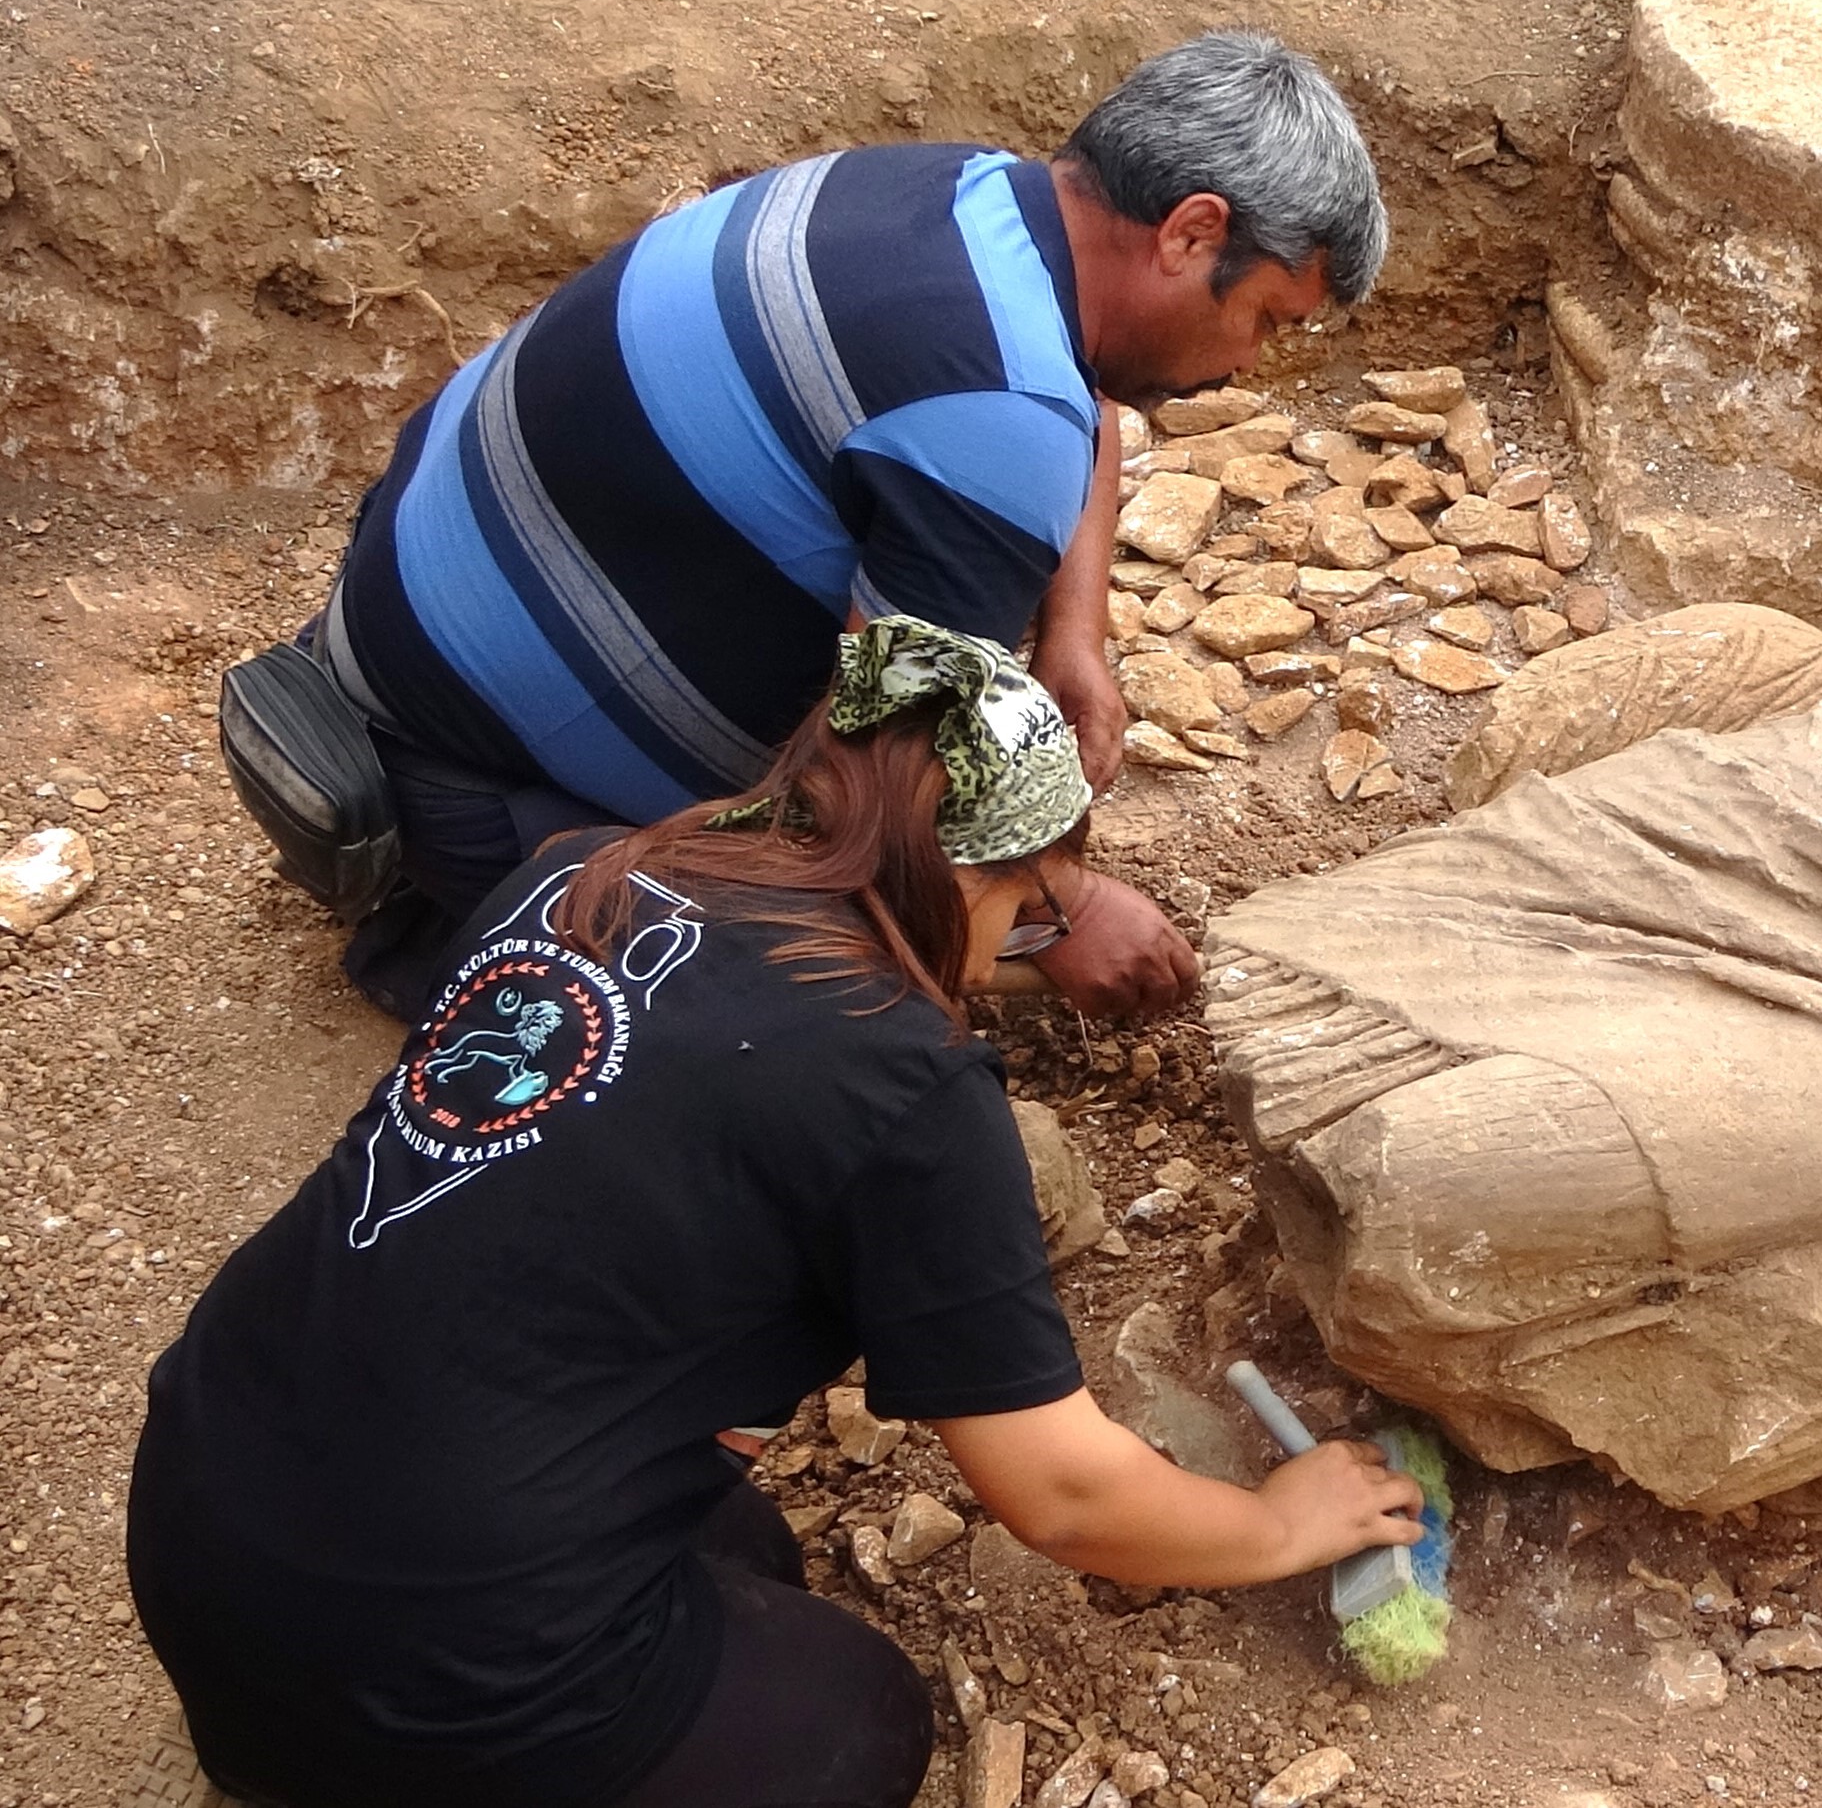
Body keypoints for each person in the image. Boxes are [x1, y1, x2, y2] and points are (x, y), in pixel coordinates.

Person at [129, 616, 1425, 1808]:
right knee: (852, 1723)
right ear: (1000, 868)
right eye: (1033, 908)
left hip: (202, 1520)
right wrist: (1276, 1522)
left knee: (742, 1540)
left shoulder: (580, 875)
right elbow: (1067, 1495)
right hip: (430, 1662)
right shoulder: (903, 1080)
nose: (1016, 947)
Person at [305, 29, 1386, 1017]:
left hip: (379, 639)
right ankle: (474, 925)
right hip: (468, 793)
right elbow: (882, 785)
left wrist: (1074, 638)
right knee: (848, 996)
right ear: (1193, 234)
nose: (1246, 363)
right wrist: (1058, 909)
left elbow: (1083, 392)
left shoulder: (961, 195)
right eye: (1263, 320)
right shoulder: (999, 419)